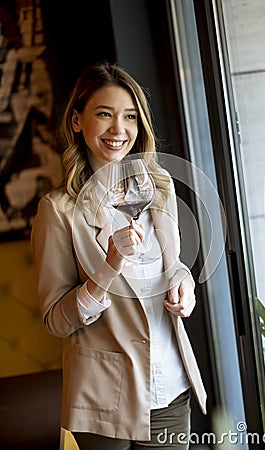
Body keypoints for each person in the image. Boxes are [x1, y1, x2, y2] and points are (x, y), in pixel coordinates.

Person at [31, 62, 207, 450]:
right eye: (104, 114)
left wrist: (183, 282)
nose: (118, 129)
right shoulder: (58, 210)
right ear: (77, 122)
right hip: (104, 399)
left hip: (170, 384)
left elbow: (173, 265)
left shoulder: (158, 189)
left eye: (129, 116)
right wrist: (109, 267)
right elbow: (56, 321)